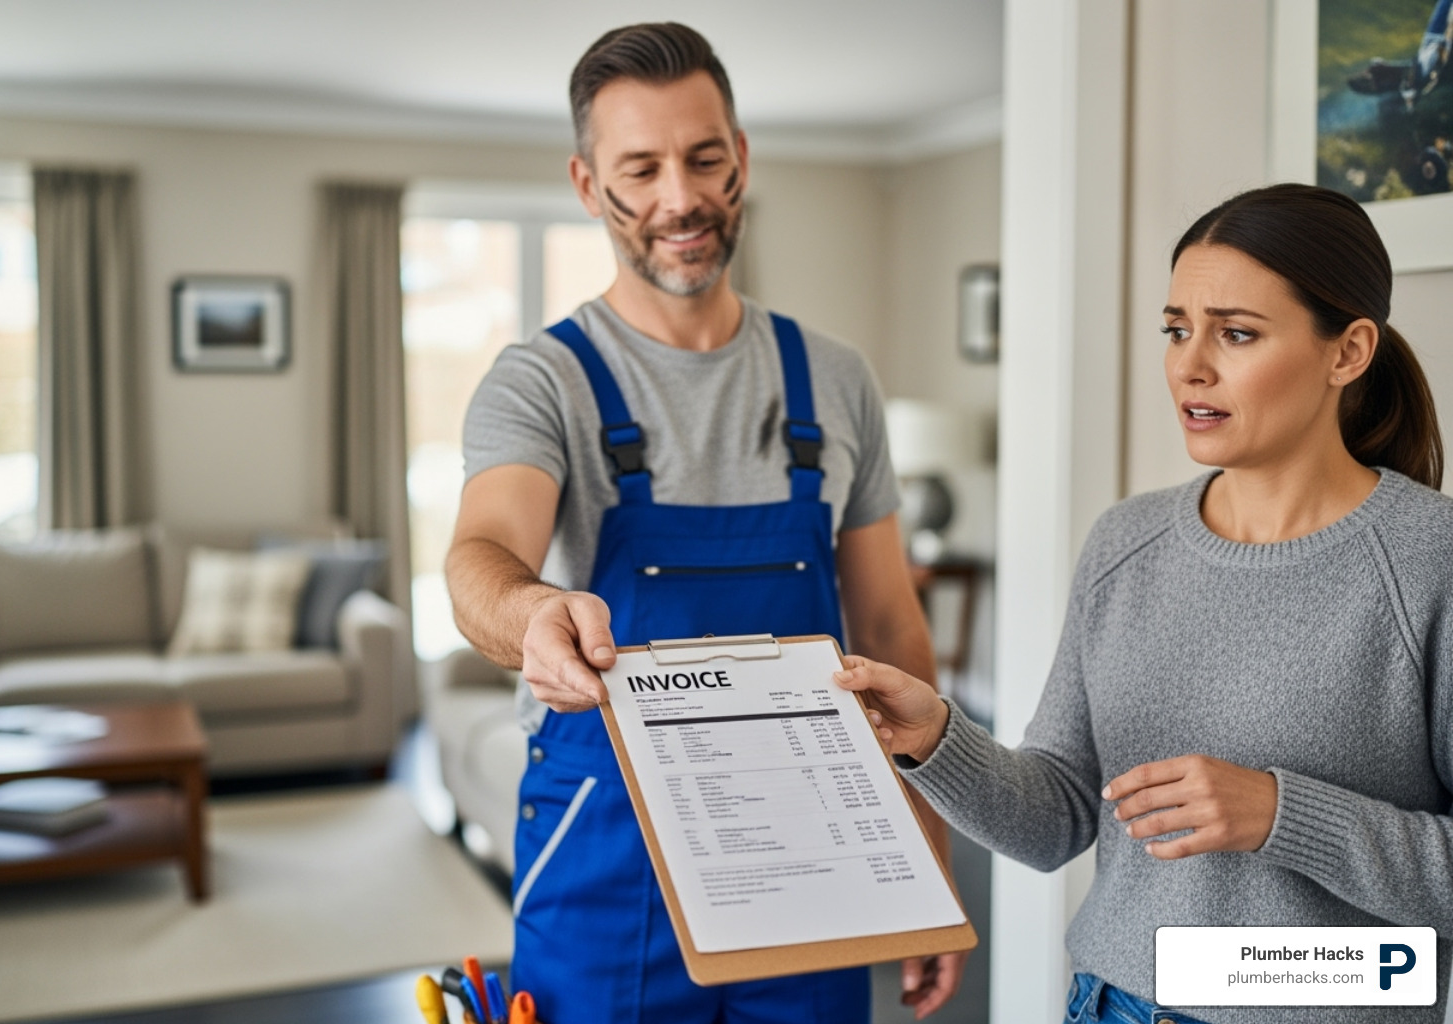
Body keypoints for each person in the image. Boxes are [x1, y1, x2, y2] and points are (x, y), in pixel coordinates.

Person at [445, 21, 966, 1024]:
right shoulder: (543, 381)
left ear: (741, 161)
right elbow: (482, 559)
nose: (679, 198)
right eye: (641, 168)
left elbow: (893, 629)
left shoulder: (837, 379)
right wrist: (533, 612)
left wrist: (922, 849)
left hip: (817, 858)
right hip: (607, 862)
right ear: (590, 186)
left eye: (704, 158)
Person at [836, 182, 1453, 1024]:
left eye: (1236, 333)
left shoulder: (1430, 562)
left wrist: (1282, 812)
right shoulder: (1125, 543)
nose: (1190, 365)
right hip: (1109, 1004)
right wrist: (936, 738)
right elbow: (1054, 817)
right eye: (1176, 329)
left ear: (1348, 352)